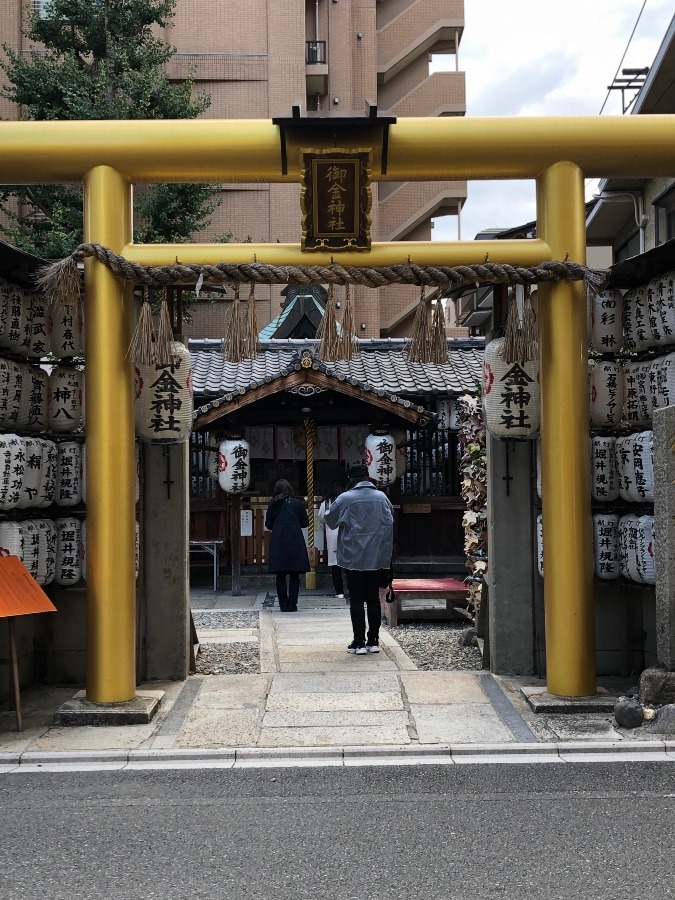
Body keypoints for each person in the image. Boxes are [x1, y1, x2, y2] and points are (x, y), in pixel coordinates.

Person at [324, 463, 394, 655]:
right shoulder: (382, 497)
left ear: (352, 480)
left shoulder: (345, 498)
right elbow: (390, 523)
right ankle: (374, 640)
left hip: (352, 555)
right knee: (372, 598)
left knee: (356, 599)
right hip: (376, 556)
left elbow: (330, 521)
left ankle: (359, 641)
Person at [265, 479, 310, 612]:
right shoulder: (297, 503)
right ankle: (292, 605)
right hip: (295, 538)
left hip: (279, 539)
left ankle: (283, 605)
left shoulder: (273, 503)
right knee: (295, 575)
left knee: (280, 575)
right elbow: (305, 522)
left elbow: (268, 524)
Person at [318, 480, 346, 600]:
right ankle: (352, 588)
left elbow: (321, 517)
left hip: (332, 535)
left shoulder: (326, 503)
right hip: (346, 534)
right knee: (350, 564)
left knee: (335, 565)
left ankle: (339, 591)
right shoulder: (346, 502)